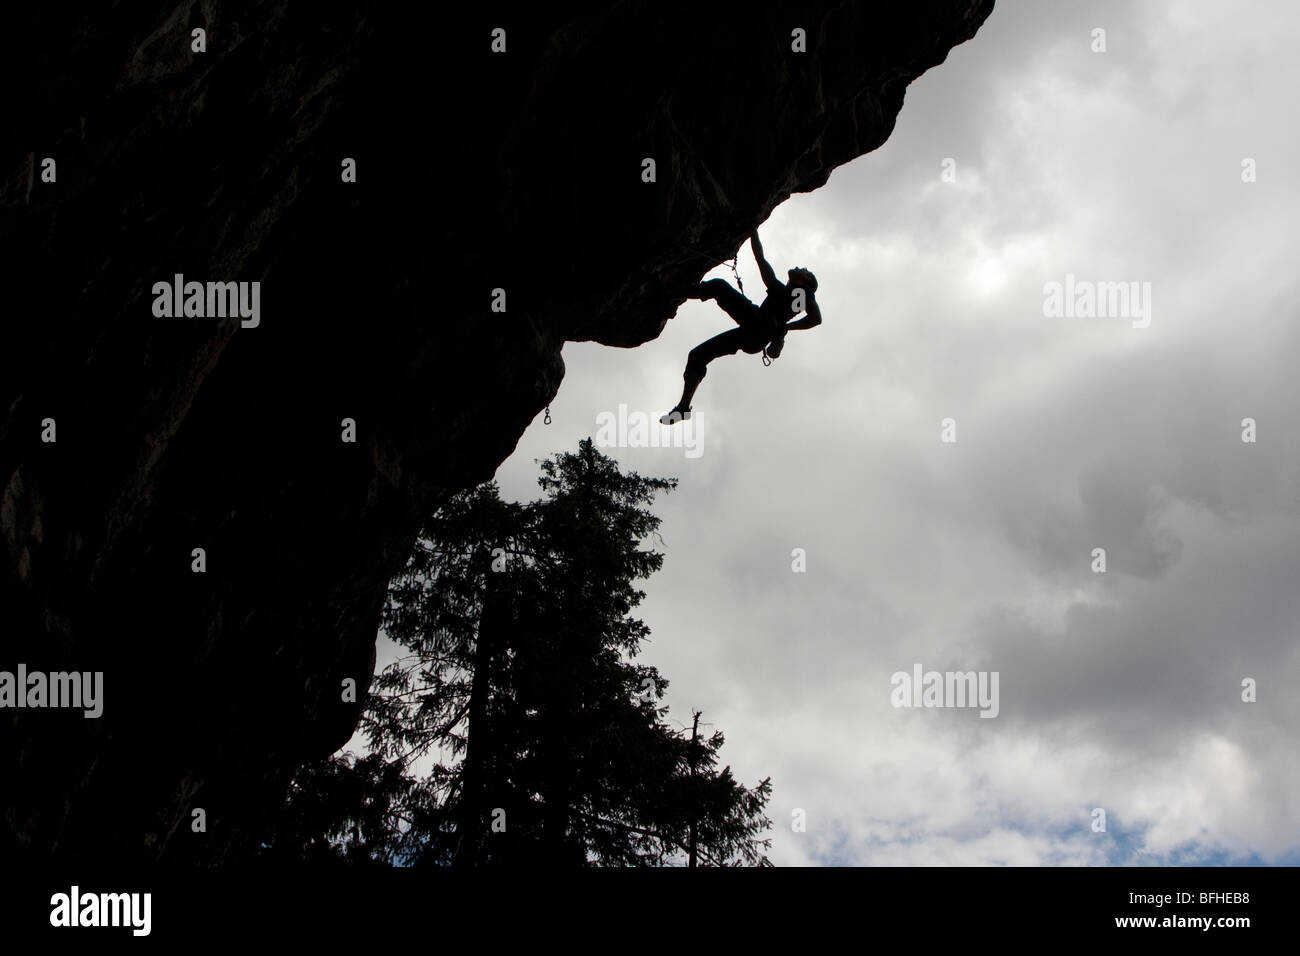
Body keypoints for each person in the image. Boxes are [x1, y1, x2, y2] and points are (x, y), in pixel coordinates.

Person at [661, 231, 821, 424]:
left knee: (719, 287)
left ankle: (671, 290)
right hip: (755, 335)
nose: (798, 267)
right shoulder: (785, 291)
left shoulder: (800, 291)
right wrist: (786, 327)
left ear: (806, 280)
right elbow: (760, 258)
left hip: (758, 323)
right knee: (698, 355)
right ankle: (683, 407)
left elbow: (815, 317)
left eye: (803, 270)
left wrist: (786, 326)